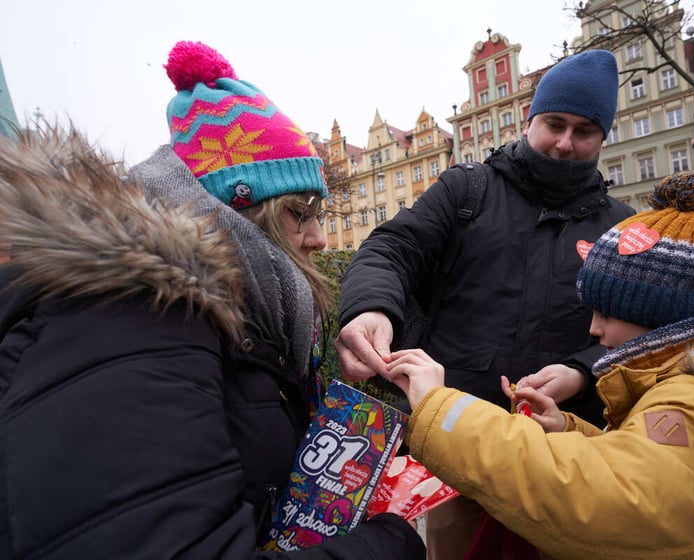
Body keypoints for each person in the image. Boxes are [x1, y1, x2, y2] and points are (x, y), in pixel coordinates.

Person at [0, 41, 424, 559]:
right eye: (302, 210)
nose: (317, 237)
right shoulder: (135, 321)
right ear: (240, 207)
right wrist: (391, 543)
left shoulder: (216, 319)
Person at [384, 170, 694, 559]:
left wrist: (440, 408)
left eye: (606, 313)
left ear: (660, 315)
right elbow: (650, 471)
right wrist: (569, 430)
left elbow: (592, 500)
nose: (595, 330)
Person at [335, 48, 634, 558]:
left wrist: (582, 371)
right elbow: (391, 248)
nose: (564, 143)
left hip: (564, 451)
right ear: (529, 119)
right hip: (456, 445)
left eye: (584, 131)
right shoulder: (467, 189)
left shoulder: (619, 225)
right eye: (554, 124)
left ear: (602, 137)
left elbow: (638, 328)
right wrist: (372, 309)